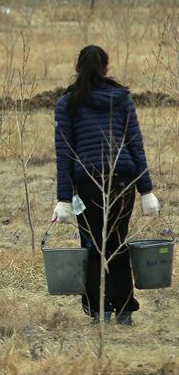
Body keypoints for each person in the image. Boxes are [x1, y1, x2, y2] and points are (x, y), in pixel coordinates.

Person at [52, 45, 159, 325]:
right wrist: (146, 190)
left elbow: (64, 153)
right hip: (123, 181)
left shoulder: (67, 103)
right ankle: (124, 310)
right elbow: (135, 145)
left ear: (77, 67)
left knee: (94, 245)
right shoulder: (121, 99)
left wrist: (64, 198)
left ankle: (98, 310)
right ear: (105, 68)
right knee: (117, 241)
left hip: (87, 183)